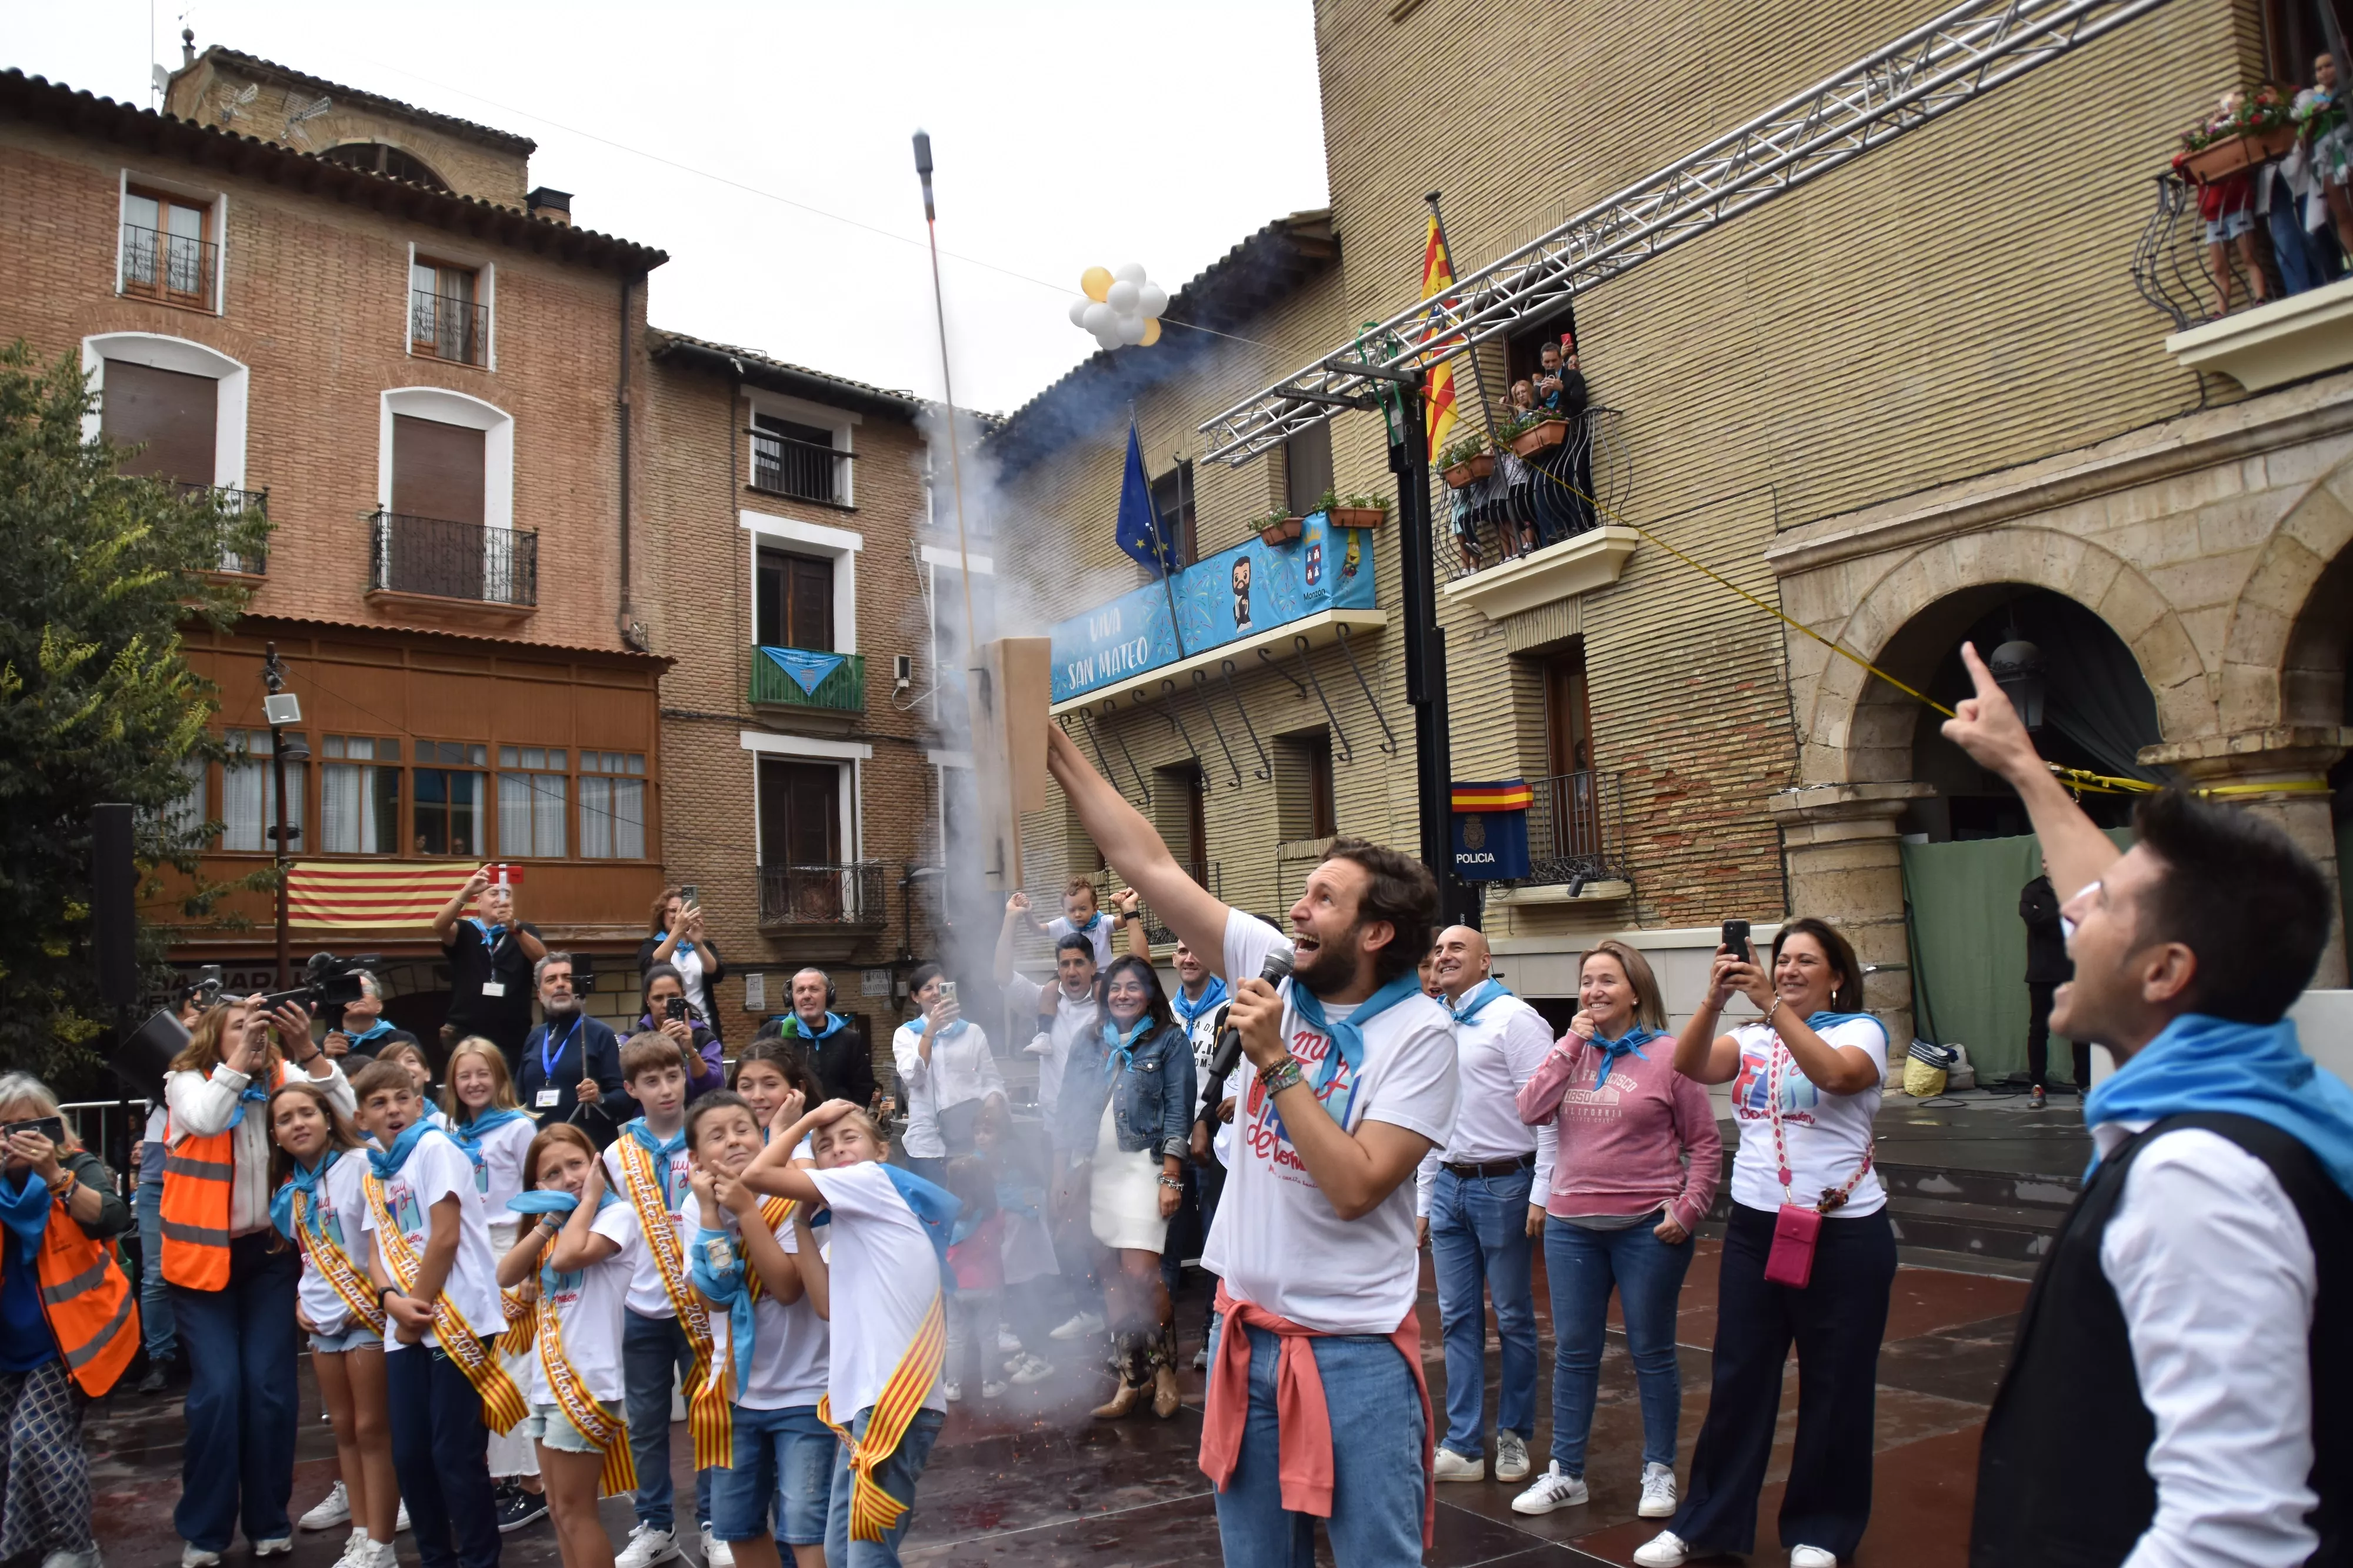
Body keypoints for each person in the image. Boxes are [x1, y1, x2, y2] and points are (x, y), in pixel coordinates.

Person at [1941, 642, 2353, 1568]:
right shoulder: (2274, 1100)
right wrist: (2021, 766)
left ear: (2166, 971)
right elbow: (2109, 896)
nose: (2074, 915)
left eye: (2105, 909)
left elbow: (2232, 1535)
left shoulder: (2199, 1177)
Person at [1043, 723, 1458, 1568]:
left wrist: (1274, 1060)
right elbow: (1147, 861)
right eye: (1303, 893)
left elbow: (1355, 1185)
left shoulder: (1422, 1035)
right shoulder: (1275, 964)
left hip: (1352, 1359)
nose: (1297, 909)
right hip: (1245, 1338)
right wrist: (1053, 746)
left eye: (1323, 899)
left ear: (1376, 933)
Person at [1635, 917, 1893, 1568]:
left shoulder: (1860, 1031)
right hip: (1757, 1228)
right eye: (1782, 960)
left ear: (1837, 976)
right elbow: (1689, 1065)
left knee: (1835, 1382)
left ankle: (1822, 1529)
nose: (1789, 970)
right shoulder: (1750, 1036)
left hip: (1843, 1232)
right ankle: (1707, 1521)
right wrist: (1715, 998)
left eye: (1806, 961)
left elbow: (1836, 1077)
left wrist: (1773, 1007)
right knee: (1739, 1377)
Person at [1512, 942, 1719, 1522]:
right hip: (1571, 1226)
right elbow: (1529, 1110)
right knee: (1574, 1352)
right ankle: (1566, 1472)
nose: (1593, 990)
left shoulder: (1670, 1055)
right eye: (1586, 981)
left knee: (1652, 1352)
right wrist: (1569, 1045)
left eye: (1606, 980)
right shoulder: (1569, 1051)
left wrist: (1688, 1210)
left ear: (1634, 991)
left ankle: (1659, 1470)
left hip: (1646, 1229)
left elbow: (1704, 1143)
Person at [164, 994, 355, 1568]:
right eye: (238, 1027)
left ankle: (270, 1520)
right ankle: (205, 1531)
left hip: (269, 1255)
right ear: (213, 1038)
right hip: (201, 1261)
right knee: (219, 1392)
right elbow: (205, 1118)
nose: (252, 1034)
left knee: (270, 1390)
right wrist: (239, 1063)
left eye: (257, 1027)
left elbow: (349, 1115)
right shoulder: (185, 1081)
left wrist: (309, 1052)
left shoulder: (283, 1078)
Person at [741, 1101, 956, 1568]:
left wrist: (804, 1123)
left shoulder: (871, 1182)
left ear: (881, 1151)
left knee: (866, 1557)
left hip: (894, 1401)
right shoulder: (855, 1219)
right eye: (825, 1146)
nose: (837, 1150)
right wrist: (802, 1221)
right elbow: (825, 1307)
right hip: (869, 1405)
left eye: (849, 1139)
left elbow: (756, 1175)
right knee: (840, 1554)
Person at [351, 1059, 517, 1568]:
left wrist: (413, 1308)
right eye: (378, 1103)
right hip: (405, 1323)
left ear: (418, 1102)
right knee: (409, 1454)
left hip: (456, 1319)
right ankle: (435, 1557)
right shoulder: (376, 1168)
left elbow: (445, 1236)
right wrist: (389, 1300)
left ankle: (479, 1559)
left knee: (454, 1452)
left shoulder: (433, 1148)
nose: (393, 1110)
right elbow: (376, 1249)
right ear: (361, 1118)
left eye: (402, 1098)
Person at [1414, 926, 1553, 1487]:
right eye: (1439, 950)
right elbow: (1430, 1114)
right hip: (1449, 1184)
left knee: (1514, 1317)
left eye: (1457, 949)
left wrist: (1543, 1191)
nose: (1444, 956)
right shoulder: (1436, 1020)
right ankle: (1464, 1444)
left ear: (1486, 961)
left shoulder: (1515, 1020)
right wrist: (1424, 1199)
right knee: (1457, 1318)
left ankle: (1514, 1435)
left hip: (1505, 1185)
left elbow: (1548, 1110)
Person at [682, 1092, 830, 1568]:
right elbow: (714, 1295)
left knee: (807, 1529)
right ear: (695, 1158)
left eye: (742, 1129)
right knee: (737, 1527)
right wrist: (711, 1215)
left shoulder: (787, 1192)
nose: (733, 1141)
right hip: (737, 1394)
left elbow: (786, 1288)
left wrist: (747, 1212)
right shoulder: (694, 1208)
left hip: (806, 1391)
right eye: (717, 1136)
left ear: (763, 1136)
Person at [0, 1073, 135, 1568]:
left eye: (28, 1125)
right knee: (6, 1445)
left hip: (71, 1339)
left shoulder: (75, 1165)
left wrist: (55, 1174)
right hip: (8, 1343)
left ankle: (77, 1547)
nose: (17, 1137)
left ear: (52, 1127)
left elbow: (113, 1218)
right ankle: (24, 1546)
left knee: (37, 1436)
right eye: (5, 1128)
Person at [1054, 955, 1196, 1422]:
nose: (1123, 995)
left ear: (1150, 993)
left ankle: (1166, 1371)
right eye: (1116, 987)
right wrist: (1061, 1175)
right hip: (1095, 1171)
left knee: (1141, 1274)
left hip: (1144, 1169)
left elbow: (1179, 1112)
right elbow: (1068, 1110)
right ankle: (1131, 1378)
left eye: (1133, 986)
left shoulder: (1170, 1041)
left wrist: (1171, 1177)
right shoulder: (1089, 1040)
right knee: (1110, 1276)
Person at [498, 1125, 644, 1568]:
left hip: (586, 1383)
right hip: (547, 1385)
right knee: (559, 1510)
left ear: (595, 1162)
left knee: (578, 1512)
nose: (568, 1178)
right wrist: (547, 1221)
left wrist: (589, 1200)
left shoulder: (616, 1215)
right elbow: (506, 1274)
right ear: (538, 1185)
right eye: (553, 1173)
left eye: (576, 1164)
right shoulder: (556, 1226)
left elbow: (566, 1260)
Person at [604, 1035, 721, 1568]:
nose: (666, 1089)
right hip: (641, 1306)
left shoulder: (706, 1141)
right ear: (632, 1089)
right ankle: (655, 1525)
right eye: (651, 1081)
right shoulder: (617, 1155)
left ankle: (716, 1523)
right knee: (647, 1423)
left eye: (673, 1076)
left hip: (699, 1302)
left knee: (710, 1417)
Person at [271, 1079, 398, 1568]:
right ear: (276, 1135)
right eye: (285, 1119)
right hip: (321, 1322)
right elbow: (305, 1258)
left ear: (328, 1118)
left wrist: (374, 1299)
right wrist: (298, 1304)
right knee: (343, 1428)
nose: (298, 1124)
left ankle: (381, 1545)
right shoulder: (292, 1190)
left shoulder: (362, 1164)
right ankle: (360, 1535)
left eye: (306, 1113)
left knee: (371, 1428)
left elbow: (388, 1240)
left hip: (366, 1315)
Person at [442, 1040, 547, 1532]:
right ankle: (504, 1473)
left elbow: (537, 1195)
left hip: (511, 1247)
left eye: (483, 1073)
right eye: (465, 1075)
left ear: (500, 1076)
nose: (474, 1083)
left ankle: (534, 1482)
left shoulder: (519, 1127)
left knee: (517, 1367)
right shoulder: (449, 1134)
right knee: (483, 1367)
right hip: (469, 1254)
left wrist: (531, 1270)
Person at [993, 906, 1108, 1342]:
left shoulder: (1110, 1003)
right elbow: (1002, 975)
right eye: (1064, 964)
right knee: (1062, 1221)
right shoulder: (1047, 1002)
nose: (1072, 971)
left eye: (1079, 963)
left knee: (1097, 1225)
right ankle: (1086, 1307)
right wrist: (1010, 919)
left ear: (1093, 967)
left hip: (1101, 1133)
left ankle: (1106, 1310)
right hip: (1055, 1133)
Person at [1169, 936, 1230, 1372]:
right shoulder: (1167, 1012)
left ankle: (1213, 1332)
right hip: (1171, 1142)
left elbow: (1228, 1076)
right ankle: (1157, 1340)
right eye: (1180, 951)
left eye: (1196, 950)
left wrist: (1204, 1123)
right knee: (1166, 1239)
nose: (1189, 958)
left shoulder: (1227, 1008)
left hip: (1213, 1139)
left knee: (1213, 1239)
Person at [892, 964, 1006, 1187]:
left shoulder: (972, 1032)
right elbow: (913, 1078)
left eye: (941, 986)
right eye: (928, 988)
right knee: (934, 1204)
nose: (936, 993)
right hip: (926, 1145)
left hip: (969, 1139)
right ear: (915, 997)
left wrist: (991, 1103)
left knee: (970, 1202)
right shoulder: (906, 1034)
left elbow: (991, 1079)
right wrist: (931, 1030)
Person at [433, 869, 547, 1072]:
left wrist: (514, 929)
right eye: (494, 893)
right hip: (466, 1035)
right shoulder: (465, 930)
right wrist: (466, 891)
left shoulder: (524, 931)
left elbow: (542, 959)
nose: (500, 899)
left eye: (506, 894)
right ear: (479, 902)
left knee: (509, 1090)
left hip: (512, 1037)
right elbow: (439, 927)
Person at [516, 955, 628, 1136]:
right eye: (551, 979)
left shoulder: (602, 1034)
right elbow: (518, 1099)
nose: (560, 984)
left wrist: (599, 1098)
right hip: (540, 1147)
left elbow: (626, 1098)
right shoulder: (534, 1038)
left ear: (579, 987)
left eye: (567, 978)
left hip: (589, 1146)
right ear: (540, 995)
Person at [2019, 859, 2083, 1106]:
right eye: (2044, 861)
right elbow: (2032, 919)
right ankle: (2037, 1086)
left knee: (2079, 1030)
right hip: (2041, 973)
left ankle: (2085, 1085)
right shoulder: (2032, 890)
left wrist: (2047, 915)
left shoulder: (2074, 888)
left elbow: (2083, 920)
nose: (2047, 865)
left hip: (2072, 971)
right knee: (2038, 1030)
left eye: (2051, 859)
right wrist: (2063, 914)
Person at [774, 970, 875, 1113]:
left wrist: (851, 1116)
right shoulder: (776, 1035)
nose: (807, 995)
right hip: (790, 1123)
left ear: (829, 995)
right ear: (791, 997)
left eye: (814, 989)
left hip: (838, 1122)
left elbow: (863, 1086)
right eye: (800, 990)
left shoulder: (850, 1039)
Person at [641, 889, 727, 1044]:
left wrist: (698, 944)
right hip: (663, 1026)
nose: (680, 915)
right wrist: (678, 931)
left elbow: (717, 975)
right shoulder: (651, 945)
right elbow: (651, 967)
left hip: (703, 1025)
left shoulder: (704, 946)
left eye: (684, 910)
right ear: (662, 915)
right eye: (673, 911)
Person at [638, 967, 725, 1102]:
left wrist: (691, 1052)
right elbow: (630, 1084)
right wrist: (658, 1047)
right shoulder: (632, 1038)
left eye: (673, 996)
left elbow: (715, 1087)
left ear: (683, 995)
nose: (666, 1004)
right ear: (647, 1000)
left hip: (696, 1110)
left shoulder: (704, 1038)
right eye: (658, 998)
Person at [1028, 880, 1144, 971]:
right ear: (1064, 911)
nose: (1077, 914)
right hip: (1071, 973)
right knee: (1051, 988)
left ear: (1095, 909)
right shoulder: (1061, 925)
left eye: (1083, 909)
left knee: (1099, 989)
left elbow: (1122, 922)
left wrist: (1123, 907)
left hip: (1100, 974)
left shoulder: (1102, 923)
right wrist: (1027, 914)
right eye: (1071, 910)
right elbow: (1037, 930)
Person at [729, 1043, 825, 1146]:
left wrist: (779, 1129)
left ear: (799, 1088)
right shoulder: (730, 1143)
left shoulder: (820, 1143)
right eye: (746, 1086)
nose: (757, 1096)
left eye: (770, 1084)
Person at [325, 973, 418, 1067]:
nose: (360, 995)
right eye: (352, 990)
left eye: (367, 990)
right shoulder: (325, 1044)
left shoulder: (402, 1040)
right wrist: (327, 1060)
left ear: (379, 1006)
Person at [374, 1042, 448, 1132]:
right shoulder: (374, 1130)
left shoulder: (447, 1126)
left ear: (427, 1073)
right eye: (394, 1064)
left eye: (411, 1061)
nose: (404, 1068)